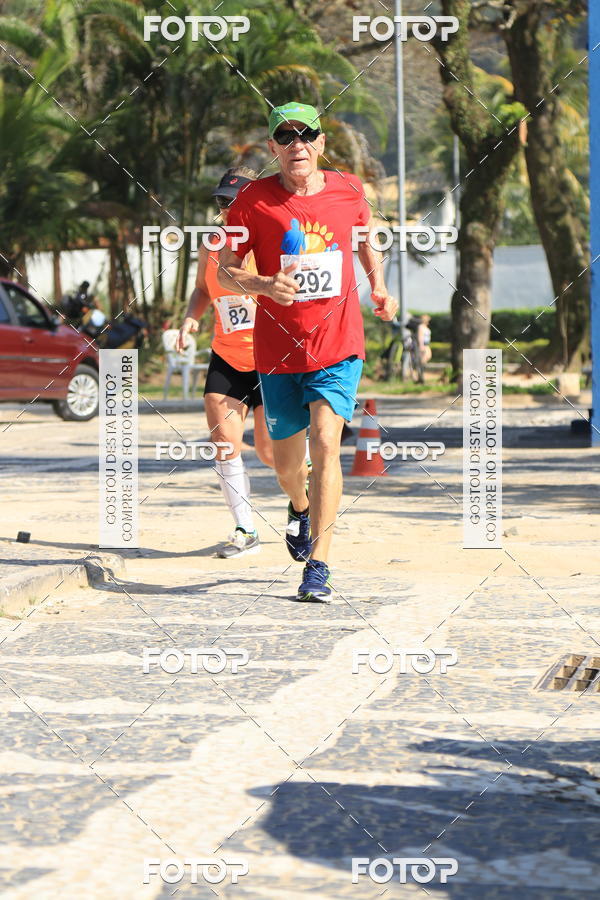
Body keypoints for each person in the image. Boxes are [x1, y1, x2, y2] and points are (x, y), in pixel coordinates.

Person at [217, 102, 397, 600]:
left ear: (320, 144)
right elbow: (223, 269)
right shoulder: (251, 201)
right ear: (273, 148)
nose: (297, 145)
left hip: (339, 344)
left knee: (325, 442)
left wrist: (377, 284)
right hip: (277, 351)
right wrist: (263, 284)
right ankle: (298, 506)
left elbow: (365, 239)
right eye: (285, 137)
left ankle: (318, 563)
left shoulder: (349, 190)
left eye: (306, 136)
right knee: (285, 463)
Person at [177, 167, 274, 559]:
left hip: (271, 361)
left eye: (233, 201)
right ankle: (244, 528)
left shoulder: (271, 240)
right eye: (221, 201)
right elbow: (202, 288)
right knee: (224, 444)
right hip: (228, 357)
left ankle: (303, 503)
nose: (226, 208)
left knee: (271, 454)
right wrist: (191, 319)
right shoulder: (213, 243)